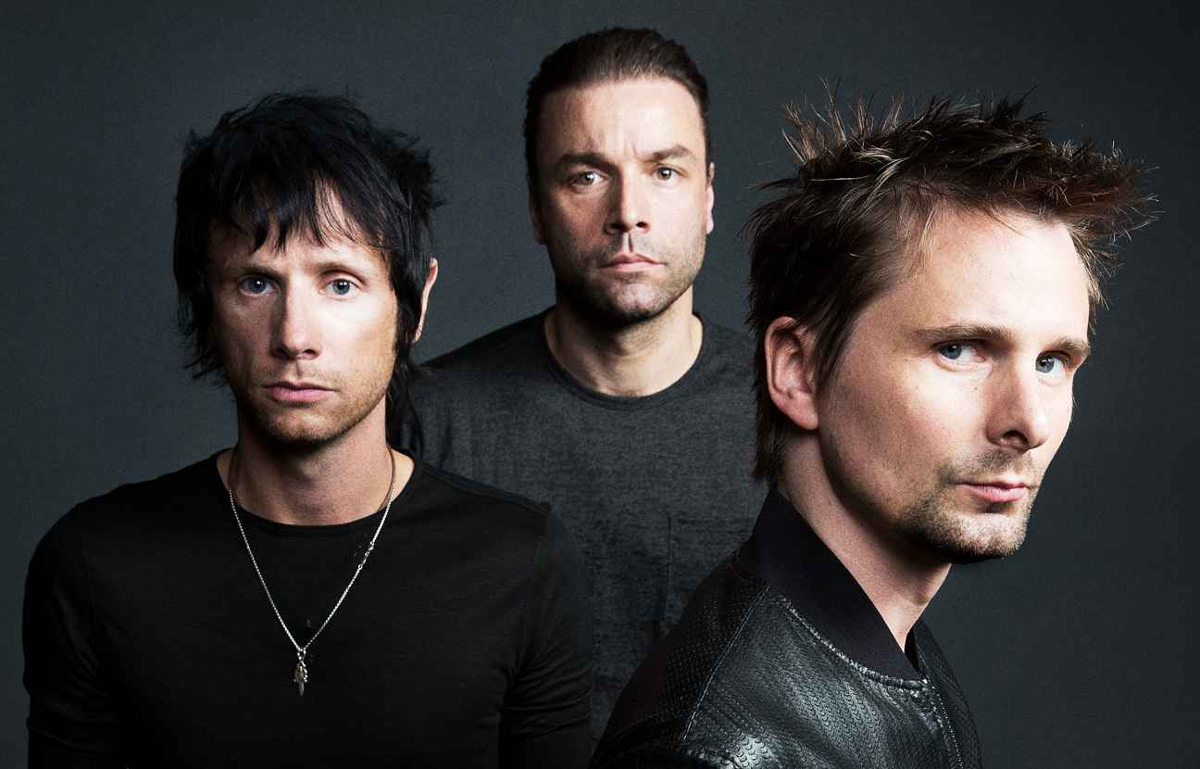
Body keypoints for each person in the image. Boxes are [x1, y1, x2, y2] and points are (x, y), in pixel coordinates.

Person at [24, 93, 592, 768]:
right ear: (207, 307)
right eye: (256, 284)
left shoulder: (521, 562)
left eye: (340, 284)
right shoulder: (97, 564)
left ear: (414, 305)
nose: (295, 336)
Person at [592, 96, 1153, 767]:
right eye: (959, 350)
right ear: (799, 372)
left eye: (1052, 361)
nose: (1028, 422)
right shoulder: (716, 751)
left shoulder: (891, 647)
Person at [390, 27, 763, 739]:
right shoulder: (431, 421)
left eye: (665, 171)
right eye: (586, 176)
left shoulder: (792, 417)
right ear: (537, 208)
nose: (628, 213)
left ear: (709, 195)